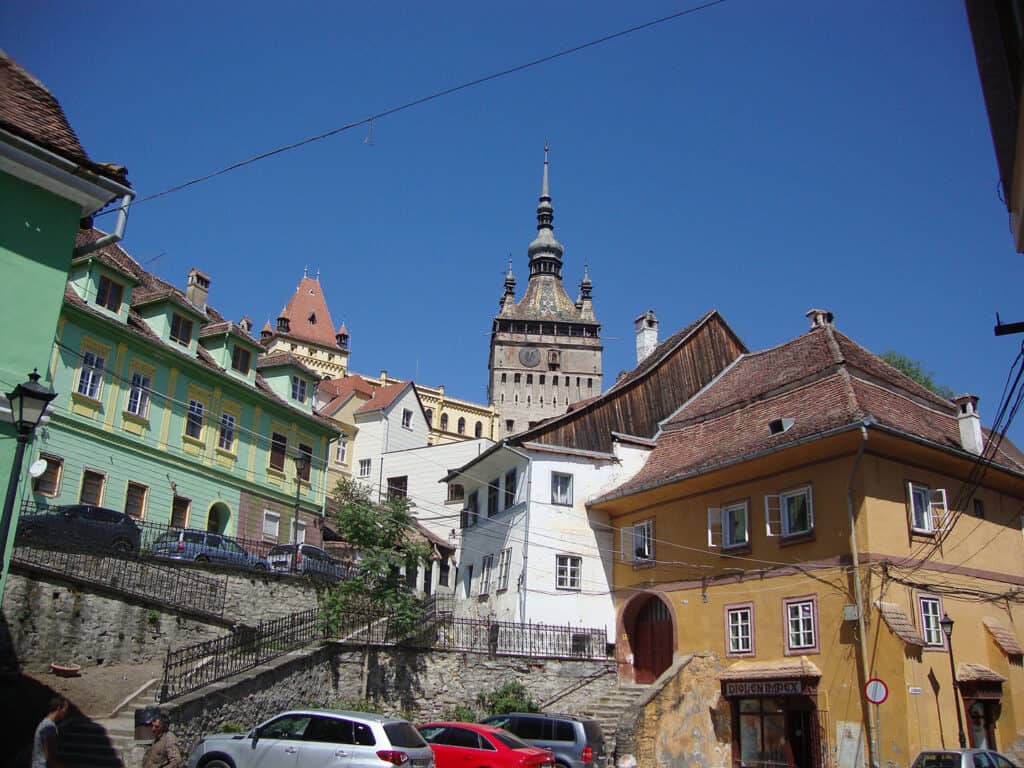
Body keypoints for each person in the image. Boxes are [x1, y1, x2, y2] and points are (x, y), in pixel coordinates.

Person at [32, 696, 69, 768]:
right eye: (65, 709)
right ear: (59, 708)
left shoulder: (45, 723)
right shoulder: (49, 727)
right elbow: (50, 758)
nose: (66, 712)